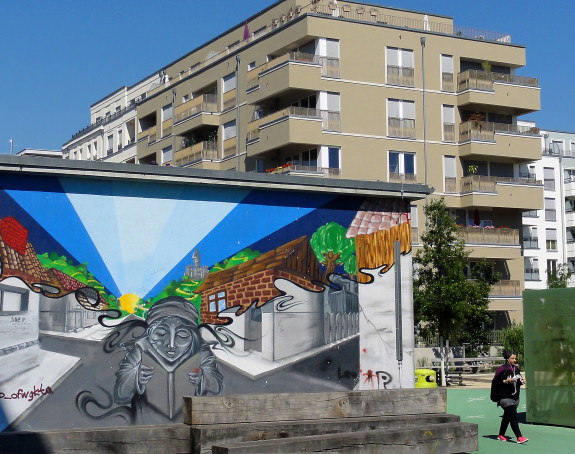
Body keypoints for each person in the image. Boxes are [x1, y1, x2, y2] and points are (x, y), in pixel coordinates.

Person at [492, 350, 528, 444]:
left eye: (515, 358)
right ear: (507, 359)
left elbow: (518, 382)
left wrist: (522, 381)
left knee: (507, 417)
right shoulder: (502, 369)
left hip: (515, 398)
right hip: (505, 397)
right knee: (514, 416)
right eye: (512, 358)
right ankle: (519, 437)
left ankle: (501, 434)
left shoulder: (516, 369)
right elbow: (495, 382)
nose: (514, 360)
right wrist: (505, 381)